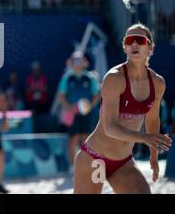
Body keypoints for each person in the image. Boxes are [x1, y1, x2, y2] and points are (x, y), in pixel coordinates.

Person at [73, 23, 172, 193]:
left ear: (150, 48)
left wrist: (154, 158)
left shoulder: (157, 83)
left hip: (123, 162)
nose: (134, 44)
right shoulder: (114, 78)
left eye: (139, 40)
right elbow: (109, 128)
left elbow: (152, 119)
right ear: (125, 48)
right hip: (95, 158)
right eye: (129, 40)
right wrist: (144, 138)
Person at [57, 51, 101, 169]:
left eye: (79, 60)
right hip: (72, 114)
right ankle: (72, 167)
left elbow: (97, 95)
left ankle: (87, 165)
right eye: (75, 60)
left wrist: (90, 106)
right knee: (73, 139)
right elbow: (60, 96)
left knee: (86, 139)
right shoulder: (67, 78)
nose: (77, 63)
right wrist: (69, 106)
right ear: (71, 63)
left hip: (87, 114)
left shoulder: (90, 77)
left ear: (85, 63)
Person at [25, 61, 50, 133]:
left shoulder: (43, 78)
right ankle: (33, 130)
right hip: (32, 102)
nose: (36, 71)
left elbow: (45, 89)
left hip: (42, 102)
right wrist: (39, 89)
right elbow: (27, 90)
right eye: (35, 70)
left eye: (38, 70)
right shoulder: (29, 78)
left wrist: (34, 89)